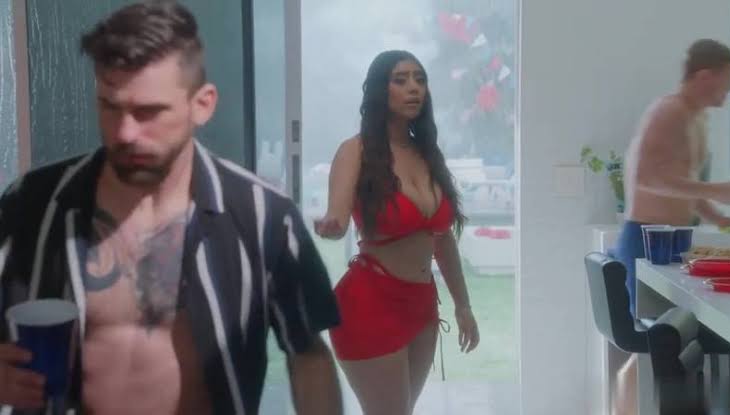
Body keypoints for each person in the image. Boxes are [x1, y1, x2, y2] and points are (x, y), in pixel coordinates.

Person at [0, 2, 342, 414]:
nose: (125, 132)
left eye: (148, 112)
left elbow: (308, 353)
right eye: (110, 106)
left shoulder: (263, 216)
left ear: (202, 104)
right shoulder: (33, 204)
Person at [314, 50, 480, 415]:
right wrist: (331, 227)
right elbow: (337, 218)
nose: (413, 88)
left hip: (421, 306)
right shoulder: (355, 151)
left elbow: (442, 239)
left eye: (420, 80)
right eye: (400, 80)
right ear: (380, 90)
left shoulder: (427, 154)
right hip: (370, 302)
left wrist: (463, 305)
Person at [613, 38, 730, 415]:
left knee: (670, 346)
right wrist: (718, 190)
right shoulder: (668, 111)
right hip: (645, 238)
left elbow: (682, 182)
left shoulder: (696, 118)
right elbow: (649, 176)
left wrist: (718, 217)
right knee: (652, 348)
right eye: (728, 79)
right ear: (705, 76)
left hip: (671, 242)